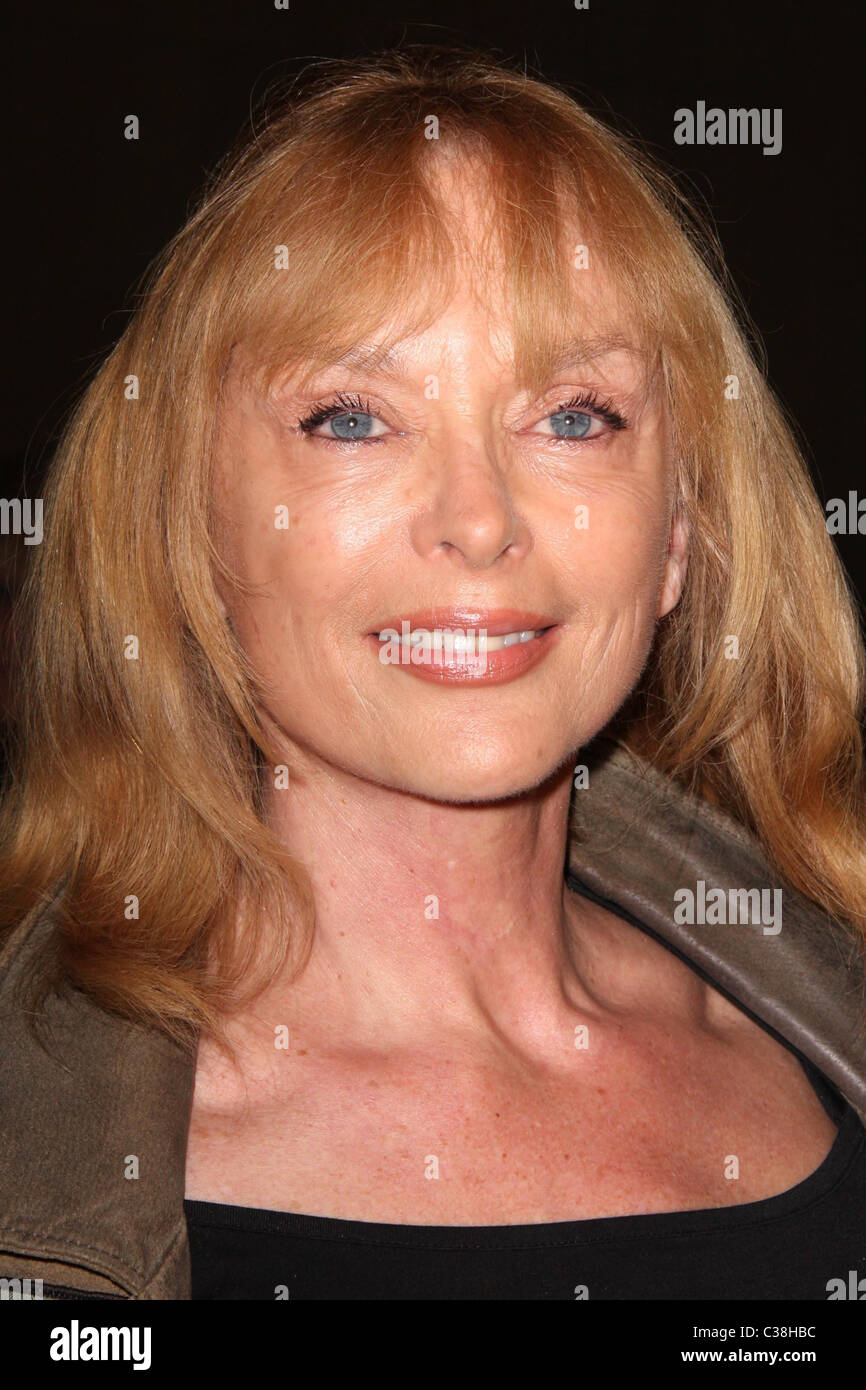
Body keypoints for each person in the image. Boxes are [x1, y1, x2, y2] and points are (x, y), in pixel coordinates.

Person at [1, 46, 864, 1302]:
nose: (477, 519)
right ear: (192, 521)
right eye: (351, 416)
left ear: (675, 533)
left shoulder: (815, 1016)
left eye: (574, 416)